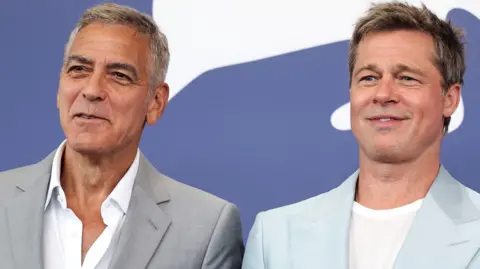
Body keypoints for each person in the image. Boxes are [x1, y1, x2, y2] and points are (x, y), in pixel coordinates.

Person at [0, 3, 244, 269]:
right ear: (60, 86)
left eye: (119, 75)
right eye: (79, 69)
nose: (92, 90)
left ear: (156, 102)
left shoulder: (206, 229)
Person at [242, 2, 480, 269]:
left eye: (407, 78)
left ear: (449, 99)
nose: (383, 93)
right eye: (368, 78)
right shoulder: (274, 237)